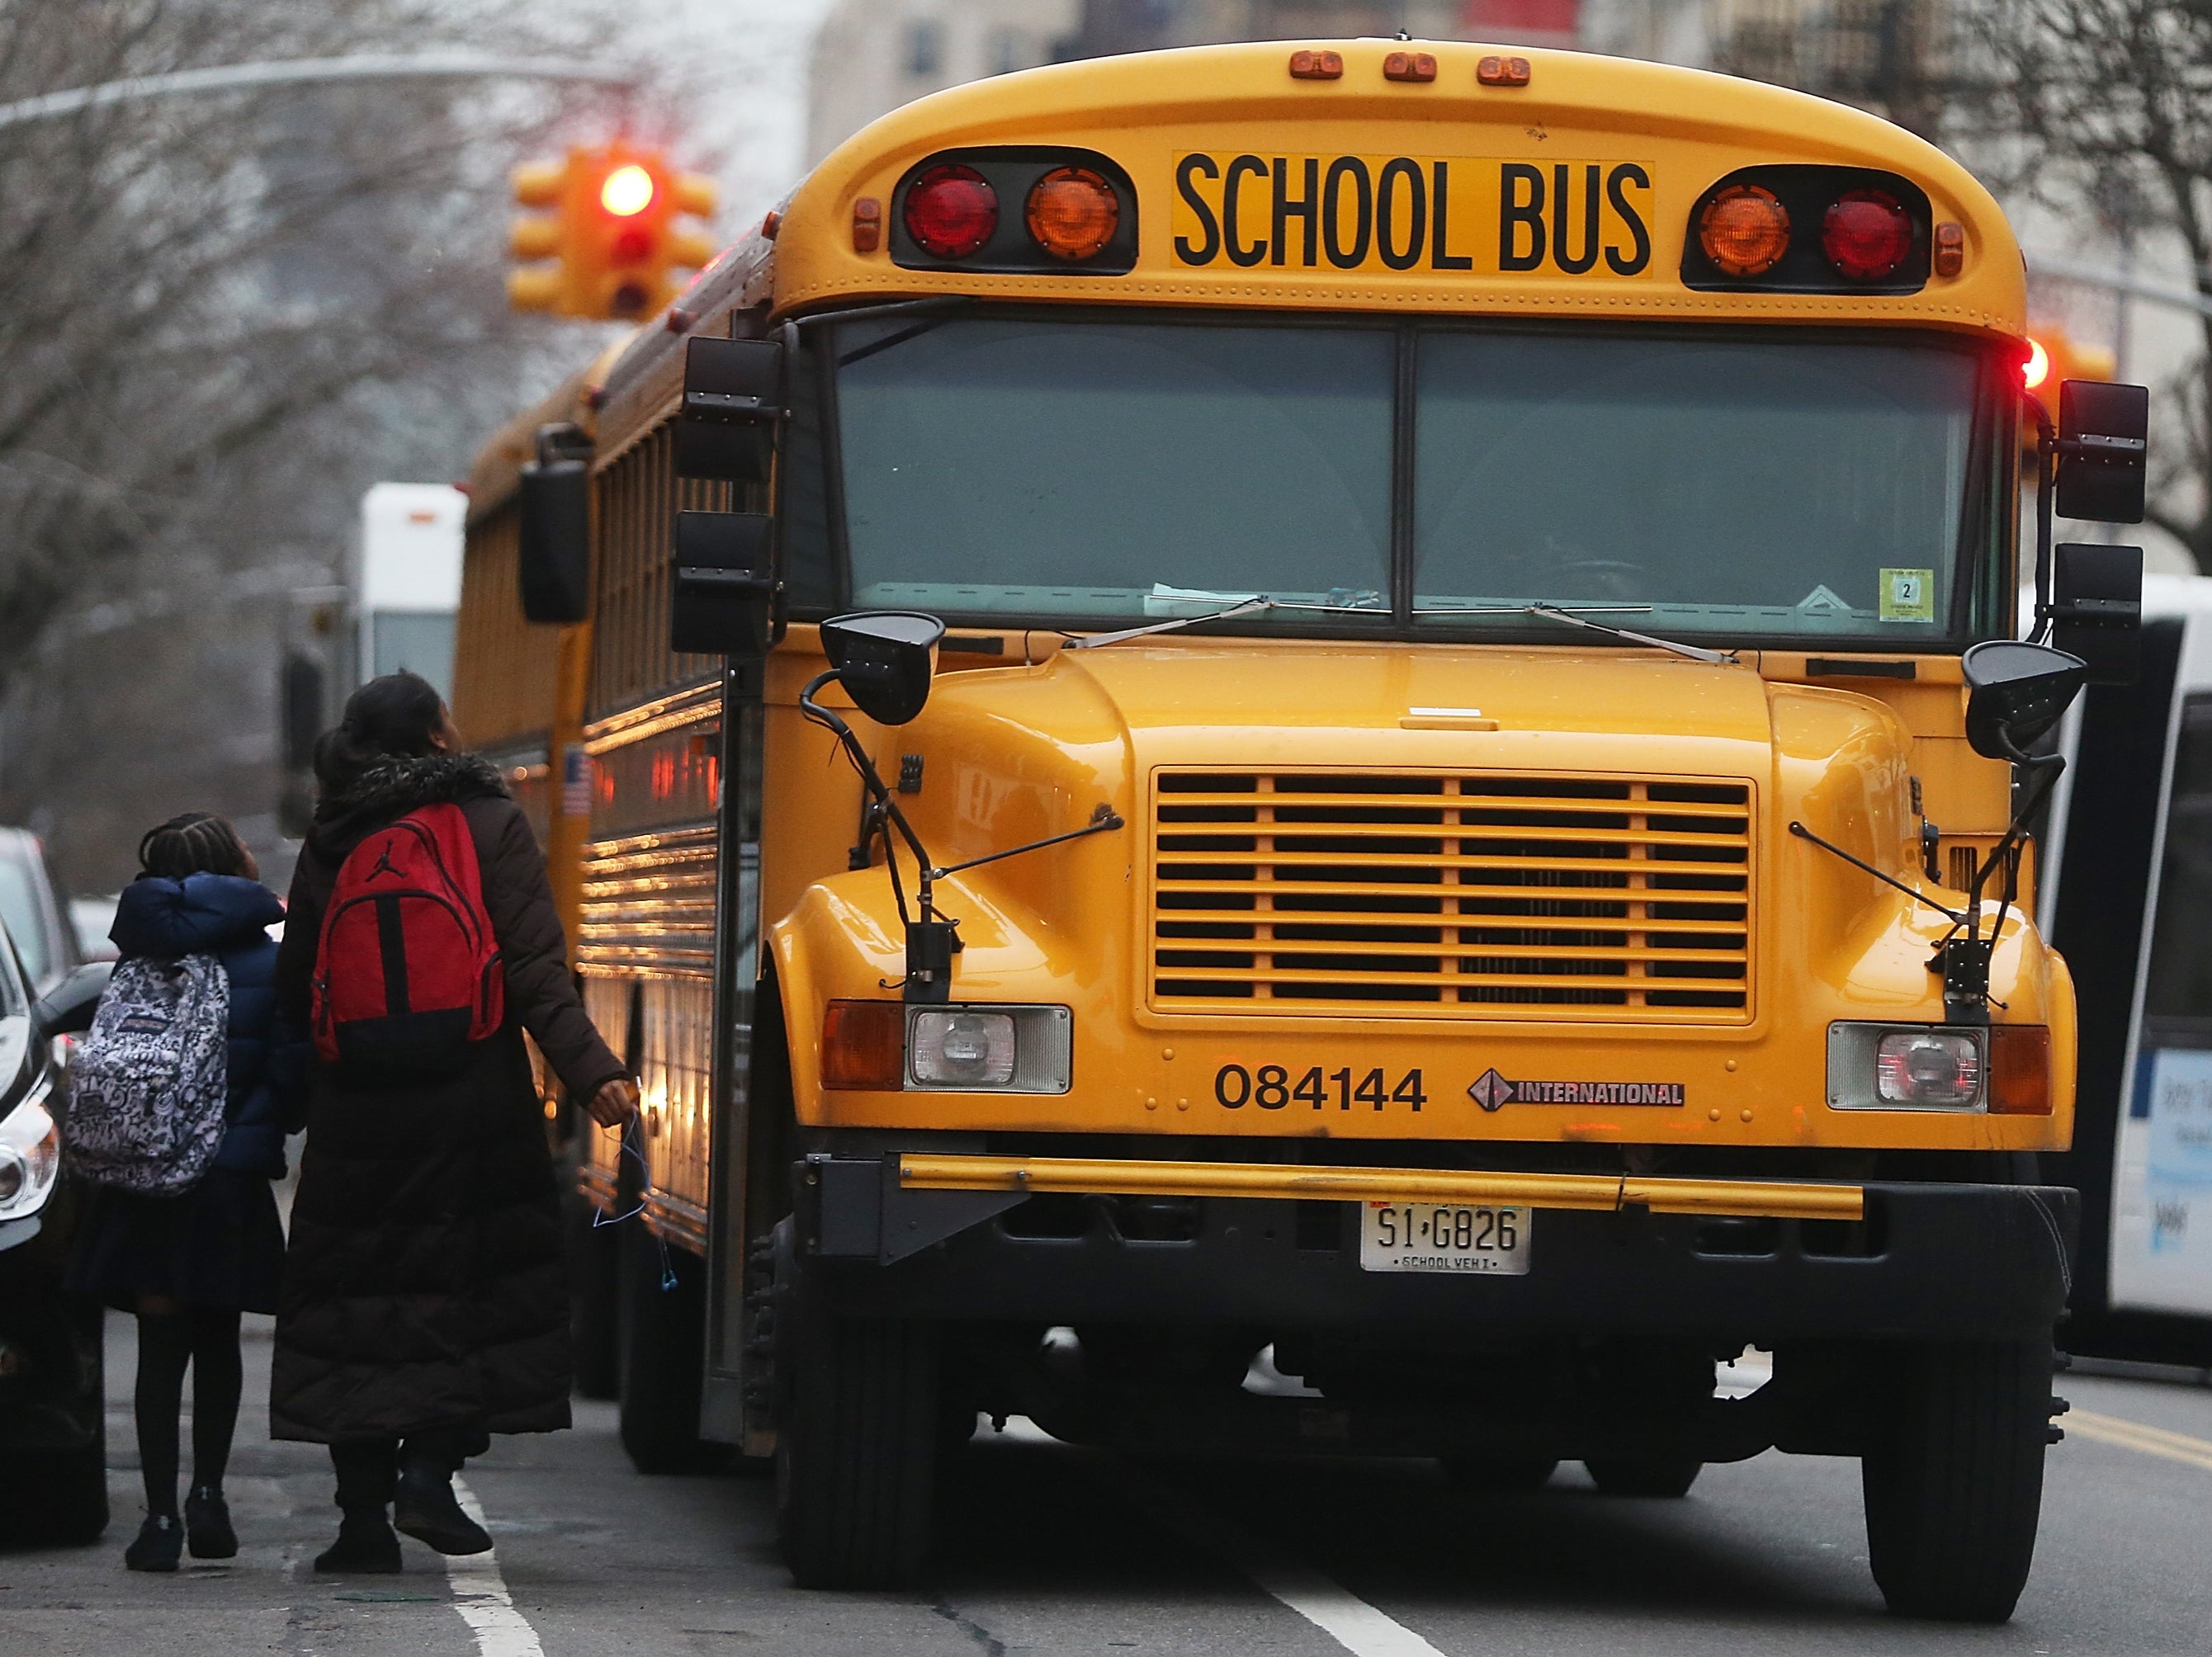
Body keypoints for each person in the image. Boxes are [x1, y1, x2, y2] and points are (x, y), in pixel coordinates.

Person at [271, 671, 637, 1574]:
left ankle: (360, 1521)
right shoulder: (484, 818)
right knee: (465, 1288)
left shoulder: (335, 826)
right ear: (437, 736)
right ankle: (429, 1475)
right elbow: (532, 965)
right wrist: (592, 1072)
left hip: (356, 1106)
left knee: (357, 1304)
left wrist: (288, 1099)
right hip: (470, 1100)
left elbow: (298, 981)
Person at [64, 812, 304, 1572]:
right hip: (225, 1181)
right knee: (218, 1339)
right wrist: (264, 1128)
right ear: (235, 871)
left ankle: (159, 1518)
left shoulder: (134, 959)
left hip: (144, 1179)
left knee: (159, 1349)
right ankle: (209, 1497)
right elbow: (291, 1072)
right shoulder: (267, 962)